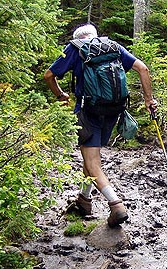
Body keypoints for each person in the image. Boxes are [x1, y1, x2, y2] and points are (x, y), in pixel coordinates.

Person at [44, 23, 158, 227]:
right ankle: (84, 201)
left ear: (78, 37)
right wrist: (148, 99)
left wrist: (60, 95)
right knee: (91, 158)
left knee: (92, 161)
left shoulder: (75, 48)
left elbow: (48, 75)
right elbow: (143, 68)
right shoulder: (113, 46)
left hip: (88, 111)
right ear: (95, 36)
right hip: (113, 110)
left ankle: (116, 205)